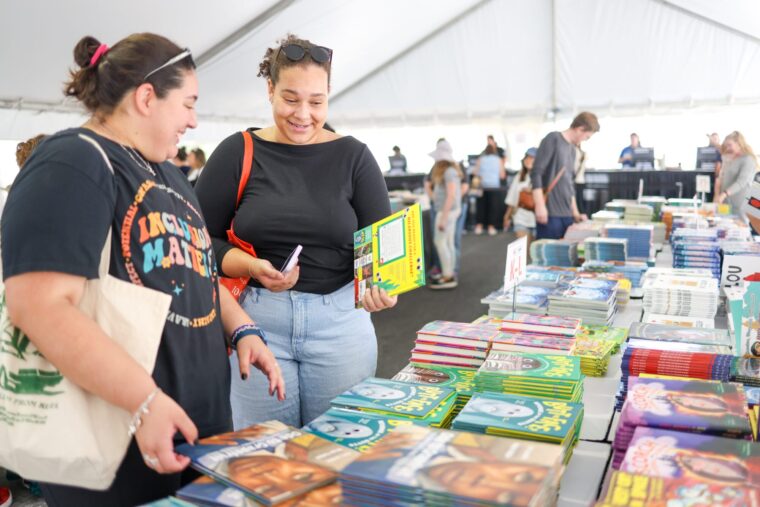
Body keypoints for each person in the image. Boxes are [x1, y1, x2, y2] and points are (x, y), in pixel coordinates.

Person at [1, 33, 284, 506]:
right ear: (147, 97)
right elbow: (40, 305)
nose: (193, 120)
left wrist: (242, 330)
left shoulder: (168, 173)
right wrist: (143, 401)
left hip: (193, 430)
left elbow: (197, 272)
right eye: (188, 104)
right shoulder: (74, 160)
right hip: (120, 443)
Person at [195, 34, 397, 430]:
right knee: (262, 461)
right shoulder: (237, 152)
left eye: (316, 102)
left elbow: (383, 250)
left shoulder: (354, 157)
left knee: (339, 456)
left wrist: (382, 287)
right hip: (255, 323)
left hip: (340, 325)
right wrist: (251, 266)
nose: (303, 114)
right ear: (270, 90)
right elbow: (199, 242)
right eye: (290, 99)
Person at [531, 112, 599, 240]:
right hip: (550, 213)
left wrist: (575, 212)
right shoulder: (553, 139)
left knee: (566, 256)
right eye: (587, 136)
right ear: (580, 129)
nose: (585, 140)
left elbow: (569, 184)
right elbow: (536, 173)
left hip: (567, 214)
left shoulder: (572, 150)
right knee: (549, 256)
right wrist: (540, 205)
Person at [427, 139, 462, 290]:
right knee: (447, 244)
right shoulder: (452, 171)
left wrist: (444, 217)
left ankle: (447, 275)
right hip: (450, 211)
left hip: (446, 212)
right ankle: (449, 274)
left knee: (441, 243)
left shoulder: (448, 172)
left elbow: (451, 195)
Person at [714, 131, 758, 216]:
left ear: (739, 143)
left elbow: (741, 182)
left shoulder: (748, 159)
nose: (728, 148)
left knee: (742, 227)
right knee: (724, 224)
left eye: (730, 145)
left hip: (741, 202)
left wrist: (724, 194)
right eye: (726, 145)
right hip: (726, 202)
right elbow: (721, 177)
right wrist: (717, 195)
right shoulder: (730, 158)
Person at [503, 147, 537, 243]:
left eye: (532, 158)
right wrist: (507, 216)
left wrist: (531, 191)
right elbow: (512, 198)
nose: (528, 160)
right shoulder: (519, 176)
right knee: (522, 252)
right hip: (520, 218)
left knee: (533, 253)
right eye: (527, 157)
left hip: (537, 219)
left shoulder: (543, 177)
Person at [473, 144, 506, 235]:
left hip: (482, 186)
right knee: (493, 207)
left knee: (481, 207)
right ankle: (491, 227)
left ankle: (479, 226)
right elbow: (502, 175)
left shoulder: (480, 159)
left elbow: (475, 172)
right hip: (494, 186)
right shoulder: (498, 160)